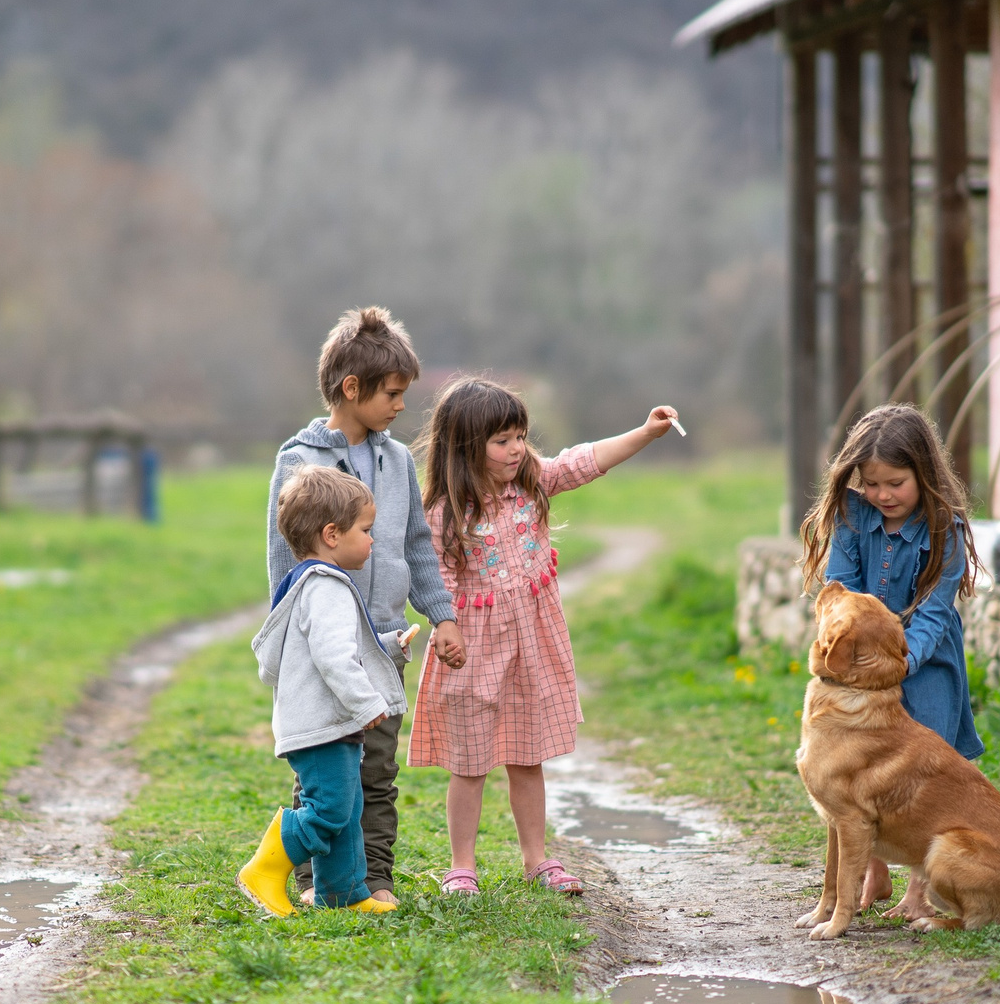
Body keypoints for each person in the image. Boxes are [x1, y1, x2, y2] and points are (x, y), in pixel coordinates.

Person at [409, 377, 681, 894]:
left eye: (520, 437)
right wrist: (444, 626)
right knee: (469, 764)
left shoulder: (530, 483)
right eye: (502, 441)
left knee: (526, 756)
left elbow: (584, 461)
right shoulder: (445, 512)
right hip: (474, 650)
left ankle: (538, 860)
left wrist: (645, 433)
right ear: (465, 447)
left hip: (531, 646)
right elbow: (435, 577)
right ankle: (461, 866)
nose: (516, 450)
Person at [265, 307, 465, 909]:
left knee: (376, 774)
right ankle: (310, 881)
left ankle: (372, 883)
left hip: (381, 645)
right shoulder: (298, 462)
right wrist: (288, 645)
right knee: (326, 774)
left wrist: (442, 615)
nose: (402, 405)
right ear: (352, 389)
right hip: (321, 649)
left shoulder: (400, 461)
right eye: (393, 394)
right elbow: (282, 562)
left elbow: (416, 547)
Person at [798, 403, 984, 922]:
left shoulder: (946, 529)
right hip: (864, 662)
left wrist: (900, 663)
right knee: (864, 771)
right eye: (871, 484)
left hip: (927, 662)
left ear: (924, 475)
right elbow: (844, 587)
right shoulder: (854, 517)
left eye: (895, 484)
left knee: (924, 770)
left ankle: (918, 892)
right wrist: (860, 656)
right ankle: (873, 874)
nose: (882, 495)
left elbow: (934, 613)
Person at [241, 467, 406, 917]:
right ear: (332, 534)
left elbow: (332, 648)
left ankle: (343, 893)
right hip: (323, 725)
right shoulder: (328, 587)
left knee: (348, 811)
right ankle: (264, 867)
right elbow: (334, 658)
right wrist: (367, 704)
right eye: (366, 530)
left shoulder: (305, 583)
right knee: (331, 809)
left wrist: (389, 647)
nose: (372, 541)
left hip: (325, 723)